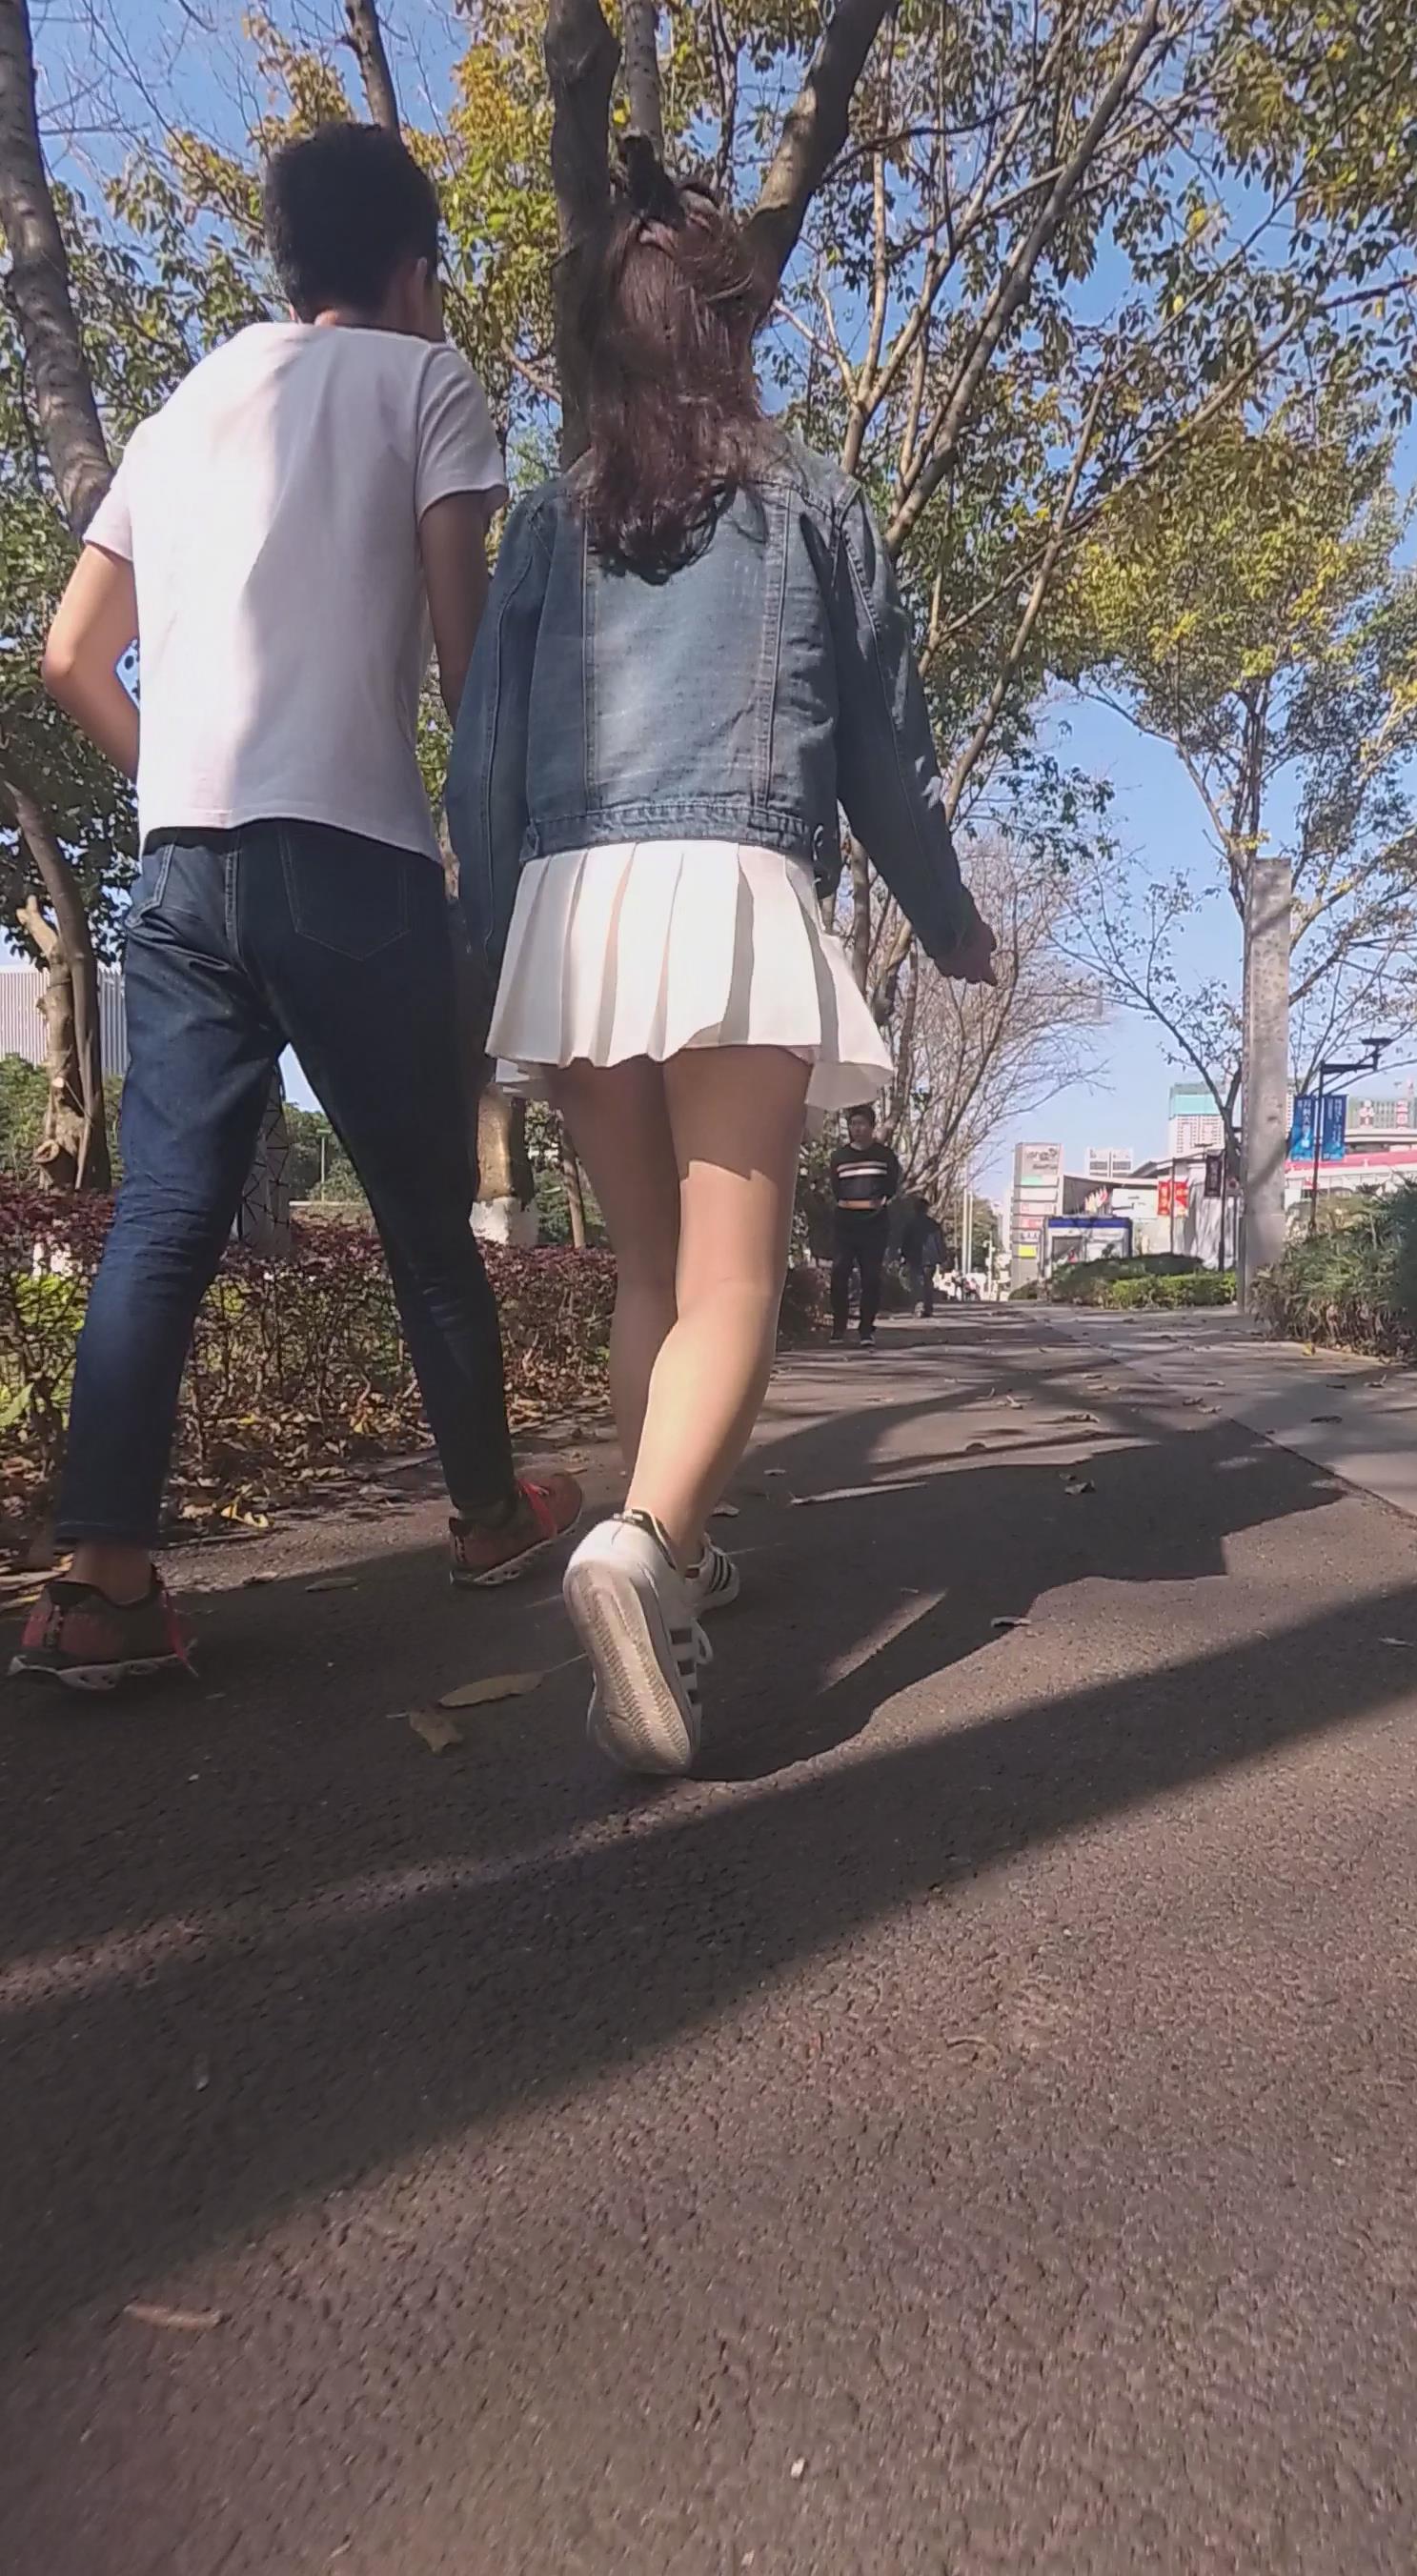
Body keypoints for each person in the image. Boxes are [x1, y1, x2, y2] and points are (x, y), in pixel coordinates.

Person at [448, 139, 996, 1780]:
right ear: (734, 327)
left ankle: (668, 1544)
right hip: (733, 892)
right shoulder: (810, 499)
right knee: (737, 1278)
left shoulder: (546, 523)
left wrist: (488, 948)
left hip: (572, 906)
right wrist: (946, 917)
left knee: (649, 1273)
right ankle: (646, 1546)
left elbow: (482, 757)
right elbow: (885, 750)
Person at [13, 122, 580, 1693]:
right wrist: (506, 864)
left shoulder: (182, 409)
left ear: (286, 263)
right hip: (351, 857)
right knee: (421, 1214)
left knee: (164, 1215)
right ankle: (487, 1517)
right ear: (413, 271)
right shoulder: (426, 381)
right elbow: (466, 665)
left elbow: (71, 658)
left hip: (182, 868)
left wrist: (189, 777)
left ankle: (98, 1583)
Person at [829, 1106, 901, 1347]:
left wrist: (879, 1201)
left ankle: (866, 1329)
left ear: (871, 1127)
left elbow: (892, 1184)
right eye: (853, 1124)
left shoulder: (885, 1156)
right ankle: (838, 1327)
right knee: (839, 1273)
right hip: (845, 1221)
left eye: (861, 1124)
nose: (857, 1129)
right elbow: (835, 1187)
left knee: (871, 1276)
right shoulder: (839, 1157)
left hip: (874, 1222)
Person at [900, 1194, 948, 1318]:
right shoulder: (934, 1225)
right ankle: (928, 1307)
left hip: (914, 1256)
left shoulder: (910, 1224)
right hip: (931, 1258)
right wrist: (942, 1258)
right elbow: (940, 1242)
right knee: (927, 1282)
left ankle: (918, 1305)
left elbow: (905, 1242)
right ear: (926, 1209)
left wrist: (904, 1255)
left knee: (916, 1282)